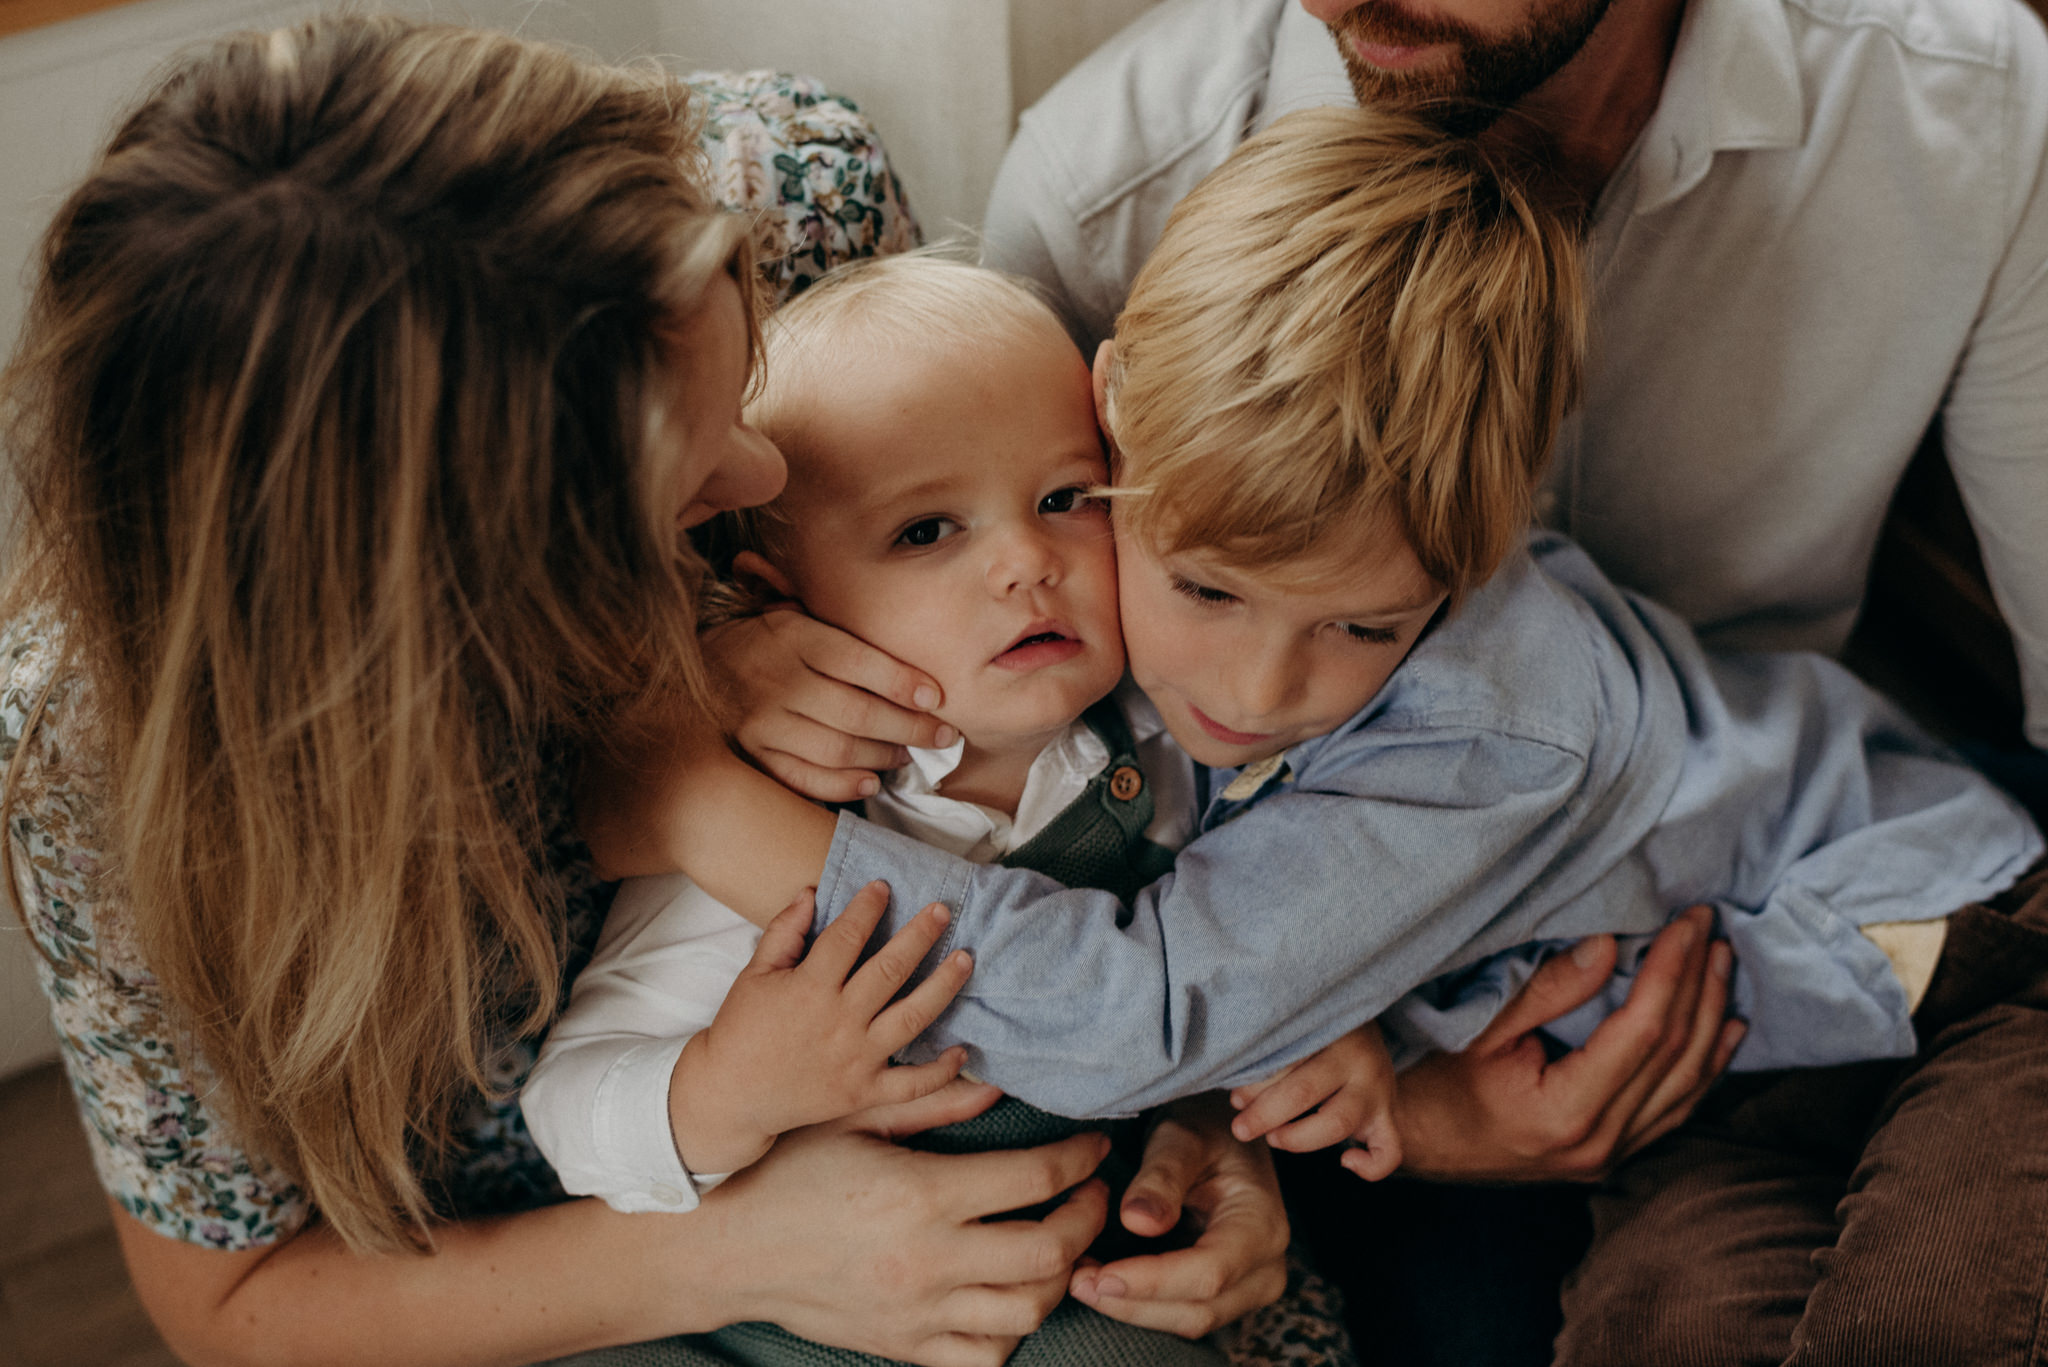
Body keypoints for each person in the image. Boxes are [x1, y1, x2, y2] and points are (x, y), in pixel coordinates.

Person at [0, 16, 1290, 1366]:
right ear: (437, 621)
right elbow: (234, 1302)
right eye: (669, 496)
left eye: (743, 383)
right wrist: (743, 1247)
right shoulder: (102, 754)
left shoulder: (783, 190)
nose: (760, 479)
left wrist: (1216, 1127)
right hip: (545, 1270)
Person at [528, 253, 1356, 1367]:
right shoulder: (762, 808)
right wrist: (727, 1084)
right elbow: (572, 1110)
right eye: (926, 531)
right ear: (790, 603)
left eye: (1065, 499)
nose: (1025, 561)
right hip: (767, 1311)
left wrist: (1299, 1055)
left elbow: (1245, 946)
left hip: (1039, 1288)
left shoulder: (1167, 745)